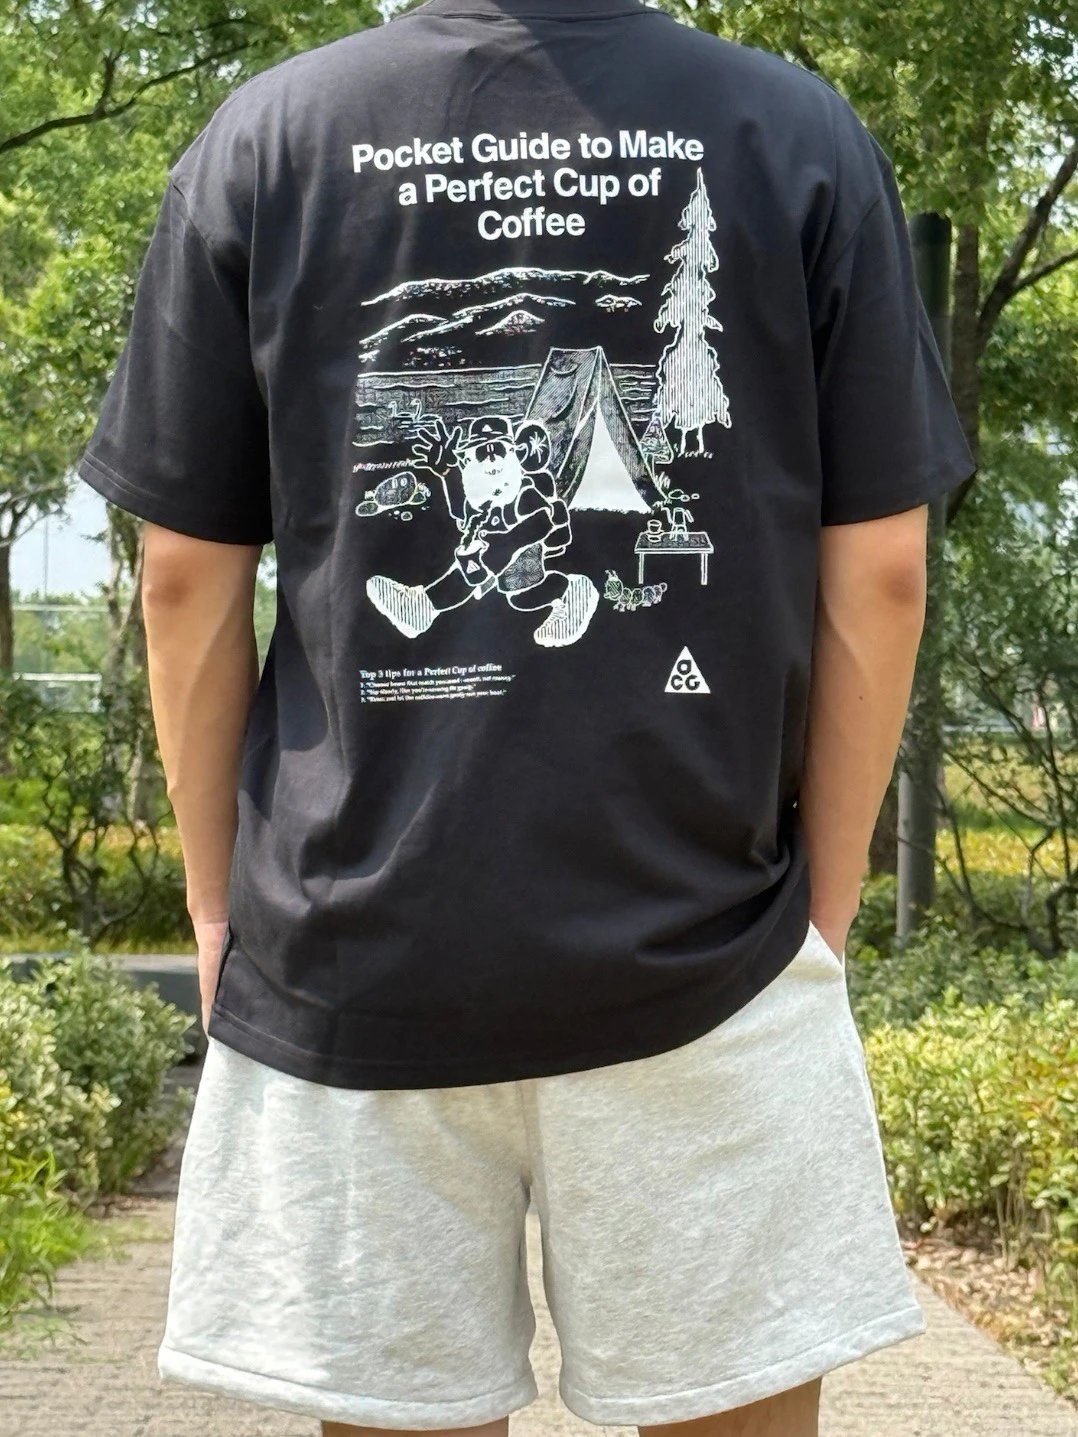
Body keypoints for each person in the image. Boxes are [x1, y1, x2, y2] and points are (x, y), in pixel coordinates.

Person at [76, 0, 977, 1433]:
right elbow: (879, 570)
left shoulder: (270, 140)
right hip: (707, 932)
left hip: (355, 943)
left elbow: (183, 574)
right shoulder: (792, 131)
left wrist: (213, 900)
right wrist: (822, 903)